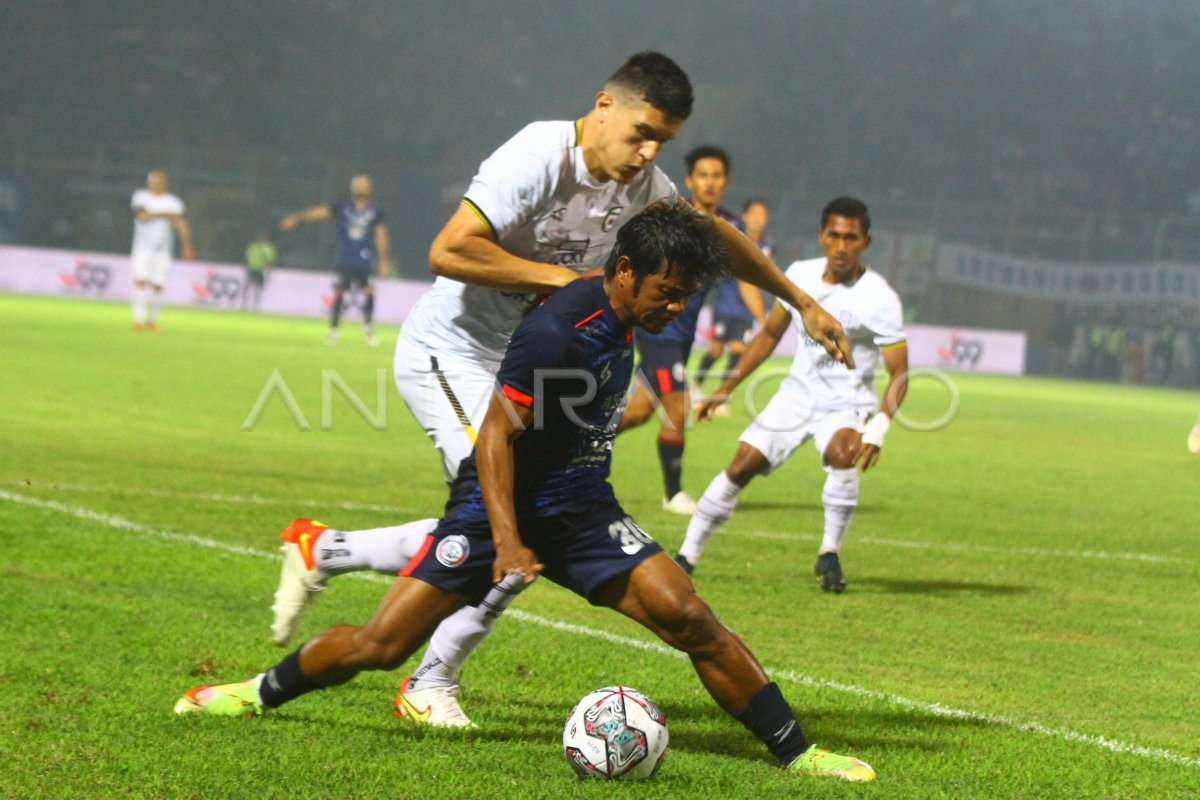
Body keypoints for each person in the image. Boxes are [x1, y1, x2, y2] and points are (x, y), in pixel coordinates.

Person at [176, 200, 876, 783]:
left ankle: (799, 754)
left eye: (686, 294)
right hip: (495, 510)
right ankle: (253, 693)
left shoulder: (630, 302)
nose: (676, 307)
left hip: (581, 508)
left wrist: (800, 301)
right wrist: (508, 540)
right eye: (667, 292)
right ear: (624, 271)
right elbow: (492, 438)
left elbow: (712, 232)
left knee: (689, 615)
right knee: (379, 647)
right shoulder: (556, 333)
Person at [268, 52, 854, 728]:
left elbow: (715, 236)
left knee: (518, 523)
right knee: (504, 514)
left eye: (663, 139)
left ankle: (329, 554)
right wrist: (569, 286)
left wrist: (801, 301)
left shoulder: (646, 186)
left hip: (534, 365)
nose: (649, 151)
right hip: (455, 353)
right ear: (604, 105)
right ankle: (427, 677)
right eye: (641, 131)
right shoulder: (539, 154)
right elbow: (450, 249)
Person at [676, 197, 908, 595]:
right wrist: (725, 389)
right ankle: (685, 558)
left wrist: (880, 425)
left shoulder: (880, 298)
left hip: (846, 405)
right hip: (796, 397)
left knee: (843, 453)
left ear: (865, 242)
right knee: (741, 464)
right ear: (821, 236)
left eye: (851, 238)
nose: (841, 246)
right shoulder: (800, 275)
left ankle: (829, 553)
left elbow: (900, 372)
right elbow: (768, 335)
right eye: (833, 235)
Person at [615, 145, 764, 514]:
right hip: (657, 331)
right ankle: (674, 493)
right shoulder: (672, 217)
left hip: (682, 338)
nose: (710, 183)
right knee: (678, 409)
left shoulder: (729, 228)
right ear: (689, 181)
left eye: (716, 176)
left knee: (636, 414)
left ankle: (576, 439)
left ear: (725, 182)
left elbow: (748, 277)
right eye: (703, 175)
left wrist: (762, 319)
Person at [280, 174, 390, 345]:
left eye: (364, 185)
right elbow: (318, 212)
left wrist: (384, 260)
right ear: (352, 188)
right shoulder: (342, 207)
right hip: (344, 258)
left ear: (369, 189)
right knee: (339, 292)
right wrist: (297, 217)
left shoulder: (375, 212)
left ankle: (368, 329)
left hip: (365, 259)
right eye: (358, 184)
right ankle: (334, 330)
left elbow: (381, 235)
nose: (361, 187)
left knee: (369, 291)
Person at [694, 198, 774, 399]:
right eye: (754, 214)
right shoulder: (733, 234)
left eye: (762, 215)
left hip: (746, 310)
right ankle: (697, 384)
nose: (758, 219)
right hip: (725, 305)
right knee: (716, 350)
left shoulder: (768, 245)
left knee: (739, 349)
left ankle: (720, 396)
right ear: (745, 216)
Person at [130, 170, 194, 330]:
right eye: (153, 181)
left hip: (164, 250)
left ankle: (152, 320)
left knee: (158, 284)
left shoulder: (174, 202)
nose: (156, 184)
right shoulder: (141, 196)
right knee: (141, 280)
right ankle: (138, 319)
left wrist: (186, 244)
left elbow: (181, 223)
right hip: (142, 248)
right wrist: (166, 213)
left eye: (160, 181)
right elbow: (142, 216)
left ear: (165, 183)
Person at [242, 230, 275, 311]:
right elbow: (247, 257)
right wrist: (246, 266)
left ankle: (255, 306)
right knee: (248, 287)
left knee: (258, 288)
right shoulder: (252, 246)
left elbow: (271, 259)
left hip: (260, 270)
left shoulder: (267, 247)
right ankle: (244, 305)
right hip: (251, 269)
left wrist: (269, 270)